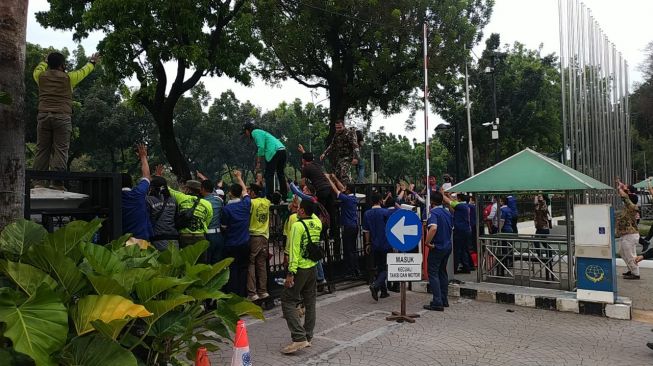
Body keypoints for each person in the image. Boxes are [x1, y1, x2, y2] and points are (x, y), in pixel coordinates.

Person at [32, 52, 100, 189]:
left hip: (43, 116)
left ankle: (38, 182)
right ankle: (56, 183)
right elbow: (83, 72)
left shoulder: (40, 76)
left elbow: (38, 69)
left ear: (48, 64)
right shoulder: (69, 78)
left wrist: (45, 61)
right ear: (62, 65)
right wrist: (92, 62)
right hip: (62, 117)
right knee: (61, 150)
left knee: (42, 149)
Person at [280, 200, 321, 354]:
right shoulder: (317, 223)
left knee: (287, 300)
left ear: (303, 211)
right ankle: (308, 337)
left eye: (299, 208)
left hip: (301, 269)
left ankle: (299, 337)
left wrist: (290, 273)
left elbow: (294, 250)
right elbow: (314, 213)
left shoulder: (297, 226)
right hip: (313, 267)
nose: (296, 210)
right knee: (310, 302)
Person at [221, 170, 251, 296]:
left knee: (232, 270)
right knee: (244, 269)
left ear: (230, 194)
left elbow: (224, 226)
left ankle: (233, 295)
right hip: (245, 243)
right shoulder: (246, 204)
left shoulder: (226, 209)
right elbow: (245, 192)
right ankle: (243, 295)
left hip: (231, 244)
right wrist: (239, 177)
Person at [326, 173, 361, 278]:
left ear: (348, 190)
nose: (343, 188)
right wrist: (336, 178)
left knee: (348, 250)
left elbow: (336, 190)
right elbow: (341, 188)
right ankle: (356, 269)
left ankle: (350, 271)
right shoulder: (353, 197)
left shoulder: (346, 199)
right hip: (354, 226)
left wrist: (329, 179)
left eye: (346, 187)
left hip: (349, 227)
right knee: (353, 249)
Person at [423, 191, 454, 311]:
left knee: (433, 273)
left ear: (431, 202)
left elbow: (434, 228)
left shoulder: (433, 212)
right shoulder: (447, 212)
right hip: (447, 246)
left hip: (437, 247)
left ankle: (437, 301)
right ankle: (444, 299)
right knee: (442, 272)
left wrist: (427, 242)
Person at [298, 146, 337, 236]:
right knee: (331, 212)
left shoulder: (306, 168)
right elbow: (308, 157)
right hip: (330, 189)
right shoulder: (316, 164)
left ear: (303, 160)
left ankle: (320, 234)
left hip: (321, 190)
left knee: (318, 213)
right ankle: (333, 235)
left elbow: (302, 183)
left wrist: (304, 191)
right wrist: (304, 152)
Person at [243, 122, 288, 200]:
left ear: (247, 131)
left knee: (268, 175)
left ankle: (269, 197)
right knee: (280, 174)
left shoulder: (255, 132)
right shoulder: (261, 132)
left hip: (274, 151)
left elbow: (261, 147)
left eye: (245, 133)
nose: (246, 135)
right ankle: (284, 195)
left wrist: (258, 162)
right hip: (282, 149)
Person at [363, 192, 391, 301]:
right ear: (380, 200)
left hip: (374, 244)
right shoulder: (386, 212)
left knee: (380, 267)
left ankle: (383, 291)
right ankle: (375, 285)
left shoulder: (367, 214)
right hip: (386, 243)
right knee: (386, 268)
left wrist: (367, 244)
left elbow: (366, 231)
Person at [121, 144, 153, 241]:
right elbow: (146, 176)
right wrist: (143, 157)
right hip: (141, 241)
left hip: (121, 241)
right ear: (131, 183)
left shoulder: (114, 198)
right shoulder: (138, 193)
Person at [168, 180, 213, 248]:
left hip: (184, 237)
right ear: (200, 190)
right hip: (200, 237)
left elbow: (168, 189)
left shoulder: (181, 197)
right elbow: (207, 222)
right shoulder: (207, 204)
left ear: (187, 189)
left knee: (185, 258)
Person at [246, 183, 271, 301]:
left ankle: (252, 293)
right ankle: (263, 291)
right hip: (264, 236)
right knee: (262, 264)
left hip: (254, 236)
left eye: (250, 191)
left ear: (253, 193)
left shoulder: (252, 203)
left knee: (251, 263)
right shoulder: (267, 202)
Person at [146, 168, 179, 251]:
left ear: (152, 187)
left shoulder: (149, 200)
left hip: (158, 240)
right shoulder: (173, 200)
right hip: (174, 240)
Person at [320, 119, 360, 185]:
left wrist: (356, 158)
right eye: (336, 128)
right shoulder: (336, 134)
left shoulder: (349, 133)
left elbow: (355, 145)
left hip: (348, 157)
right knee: (337, 175)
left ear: (343, 126)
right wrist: (324, 153)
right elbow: (332, 145)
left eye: (340, 128)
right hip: (341, 157)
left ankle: (348, 189)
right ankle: (341, 189)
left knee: (344, 173)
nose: (338, 129)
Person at [197, 171, 225, 264]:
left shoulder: (201, 202)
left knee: (207, 264)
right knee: (217, 265)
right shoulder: (219, 200)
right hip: (219, 236)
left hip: (207, 236)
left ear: (203, 189)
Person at [616, 180, 640, 280]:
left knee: (629, 255)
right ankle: (631, 269)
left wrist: (620, 188)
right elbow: (625, 196)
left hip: (630, 235)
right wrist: (622, 187)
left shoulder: (631, 207)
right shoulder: (628, 207)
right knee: (622, 252)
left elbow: (625, 197)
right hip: (627, 235)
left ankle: (635, 274)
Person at [450, 193, 472, 274]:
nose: (454, 199)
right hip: (466, 230)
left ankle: (454, 268)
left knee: (457, 250)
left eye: (456, 198)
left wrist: (442, 194)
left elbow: (449, 202)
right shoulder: (466, 206)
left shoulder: (460, 206)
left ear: (459, 199)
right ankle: (466, 267)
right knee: (464, 249)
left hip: (460, 231)